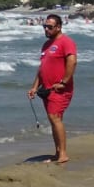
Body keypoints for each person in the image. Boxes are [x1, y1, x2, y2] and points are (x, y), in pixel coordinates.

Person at [28, 13, 77, 164]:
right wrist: (34, 87)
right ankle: (57, 153)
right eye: (45, 26)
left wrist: (64, 82)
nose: (46, 29)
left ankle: (63, 154)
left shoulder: (66, 42)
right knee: (54, 120)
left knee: (55, 118)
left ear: (58, 27)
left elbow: (72, 61)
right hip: (47, 89)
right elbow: (42, 68)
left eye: (49, 27)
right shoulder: (46, 45)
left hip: (60, 89)